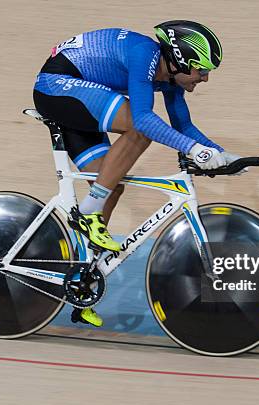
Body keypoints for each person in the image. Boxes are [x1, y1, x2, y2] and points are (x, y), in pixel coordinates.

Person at [33, 20, 243, 327]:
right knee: (138, 126)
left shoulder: (169, 77)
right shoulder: (144, 54)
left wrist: (221, 155)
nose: (205, 78)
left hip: (81, 95)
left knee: (110, 183)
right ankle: (88, 212)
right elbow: (144, 120)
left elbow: (183, 127)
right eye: (201, 69)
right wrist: (194, 151)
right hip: (56, 86)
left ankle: (83, 278)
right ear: (181, 60)